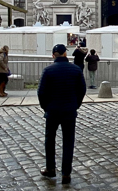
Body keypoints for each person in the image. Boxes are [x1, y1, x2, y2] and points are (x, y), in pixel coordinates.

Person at [37, 43, 87, 185]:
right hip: (69, 111)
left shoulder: (48, 70)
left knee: (50, 140)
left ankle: (50, 168)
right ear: (66, 54)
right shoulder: (76, 70)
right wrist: (75, 105)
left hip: (52, 110)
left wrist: (46, 107)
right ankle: (66, 173)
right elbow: (82, 90)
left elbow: (41, 92)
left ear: (53, 55)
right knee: (68, 141)